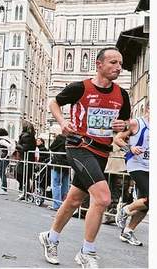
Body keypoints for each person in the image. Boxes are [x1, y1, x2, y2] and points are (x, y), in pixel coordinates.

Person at [39, 47, 130, 268]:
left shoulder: (122, 95)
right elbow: (54, 103)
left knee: (74, 200)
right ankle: (87, 252)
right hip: (79, 146)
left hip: (102, 152)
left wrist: (123, 128)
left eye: (120, 63)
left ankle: (50, 238)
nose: (118, 67)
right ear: (99, 65)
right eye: (113, 63)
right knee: (102, 198)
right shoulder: (80, 87)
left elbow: (125, 125)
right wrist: (62, 122)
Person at [114, 100, 149, 246]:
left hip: (150, 166)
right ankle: (124, 210)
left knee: (147, 203)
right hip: (136, 164)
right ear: (149, 108)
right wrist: (130, 148)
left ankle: (128, 231)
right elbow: (118, 138)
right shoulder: (136, 123)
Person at [49, 128, 69, 211]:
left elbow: (52, 147)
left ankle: (56, 204)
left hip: (58, 163)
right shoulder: (71, 139)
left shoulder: (60, 138)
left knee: (56, 184)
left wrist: (56, 138)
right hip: (67, 163)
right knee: (65, 184)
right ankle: (64, 204)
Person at [0, 128, 15, 195]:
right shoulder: (7, 139)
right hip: (4, 157)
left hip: (3, 158)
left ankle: (4, 188)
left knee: (1, 172)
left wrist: (7, 155)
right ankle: (3, 188)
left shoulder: (1, 141)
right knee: (1, 172)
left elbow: (9, 146)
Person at [16, 121, 36, 200]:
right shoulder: (30, 136)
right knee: (24, 176)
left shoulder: (26, 136)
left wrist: (17, 145)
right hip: (27, 158)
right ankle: (26, 192)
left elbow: (24, 148)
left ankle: (25, 192)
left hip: (26, 158)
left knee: (22, 175)